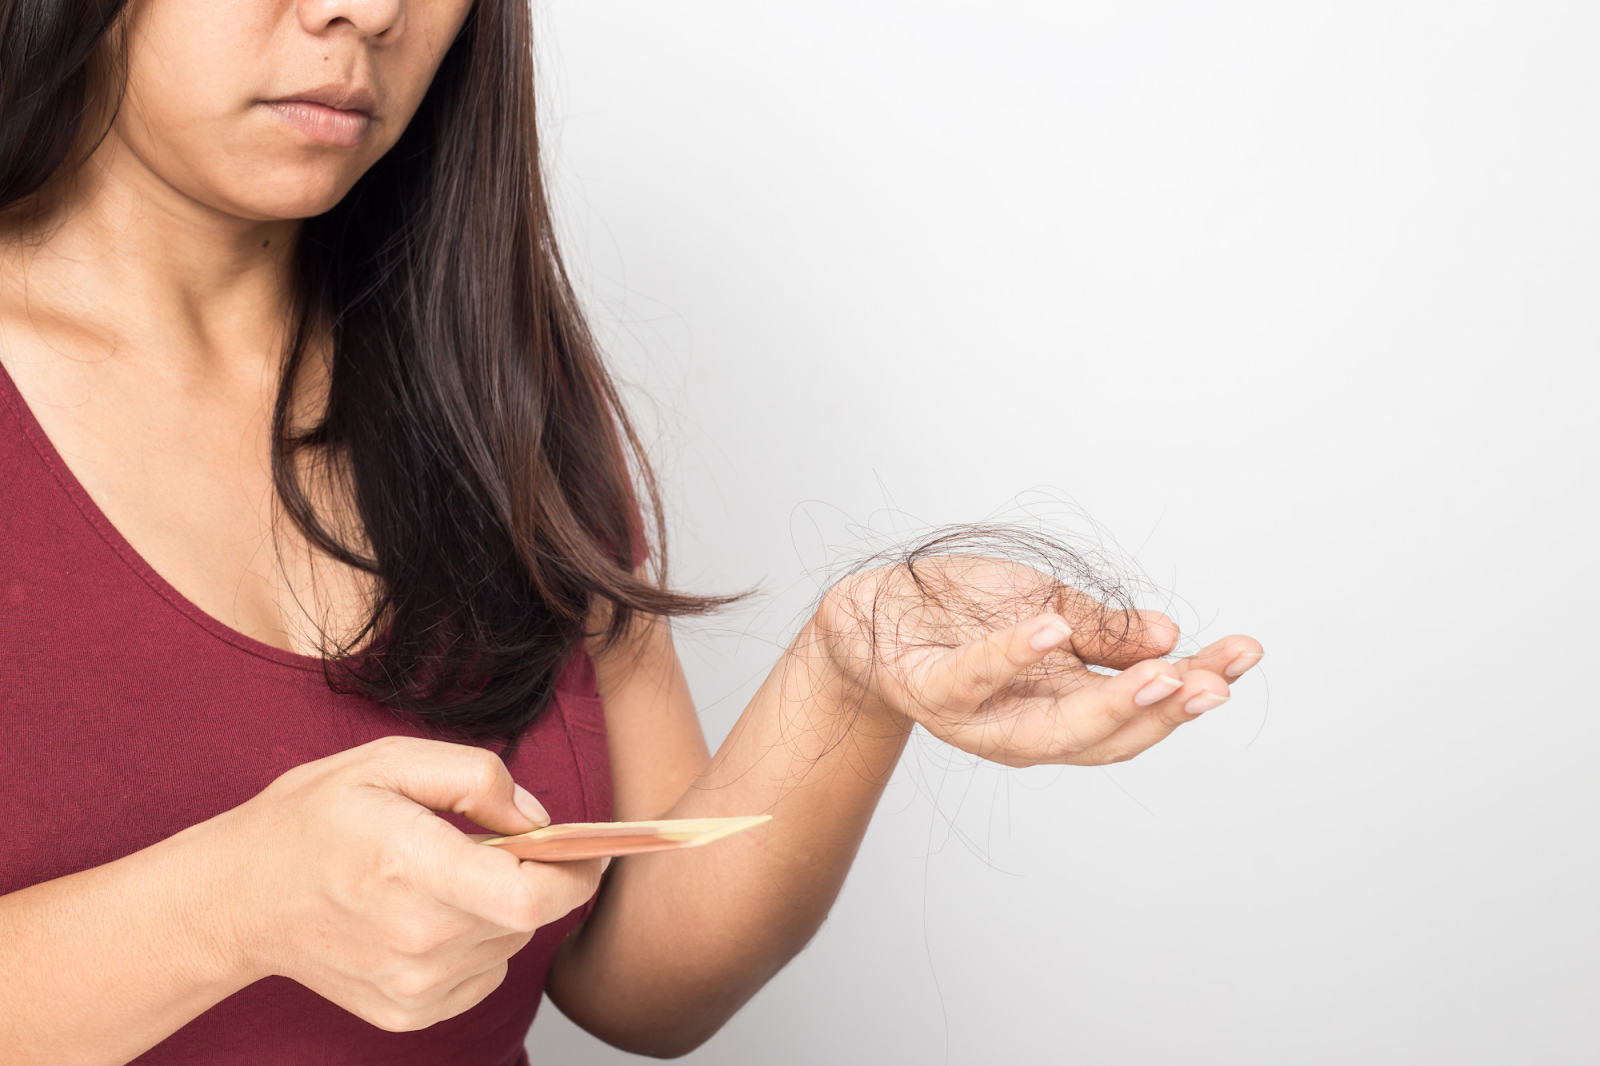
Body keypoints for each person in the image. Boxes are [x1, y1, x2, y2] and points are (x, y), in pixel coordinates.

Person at [0, 1, 1263, 1062]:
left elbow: (635, 981)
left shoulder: (482, 384)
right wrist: (225, 908)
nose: (368, 13)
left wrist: (852, 673)